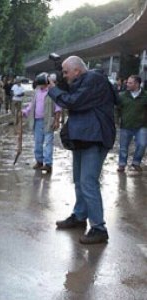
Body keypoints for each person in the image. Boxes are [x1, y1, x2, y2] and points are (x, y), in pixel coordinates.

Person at [48, 56, 116, 244]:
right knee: (79, 180)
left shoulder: (95, 80)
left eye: (66, 72)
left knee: (88, 182)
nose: (64, 75)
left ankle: (99, 227)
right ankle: (79, 216)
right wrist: (59, 80)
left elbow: (73, 101)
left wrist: (53, 89)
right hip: (84, 138)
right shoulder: (84, 82)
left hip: (95, 138)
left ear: (77, 71)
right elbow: (70, 91)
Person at [22, 73, 62, 173]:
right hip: (37, 121)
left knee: (48, 143)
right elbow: (32, 105)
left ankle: (48, 164)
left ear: (47, 83)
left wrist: (57, 121)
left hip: (48, 121)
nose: (41, 86)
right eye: (39, 85)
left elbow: (58, 107)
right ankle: (39, 161)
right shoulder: (37, 92)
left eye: (42, 84)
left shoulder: (52, 92)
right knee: (38, 143)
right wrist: (25, 112)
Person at [116, 75, 147, 172]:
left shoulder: (145, 96)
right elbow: (117, 110)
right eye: (127, 82)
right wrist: (117, 121)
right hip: (126, 125)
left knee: (142, 144)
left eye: (130, 83)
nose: (127, 84)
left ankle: (136, 162)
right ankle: (122, 164)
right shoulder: (122, 96)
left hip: (141, 126)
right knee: (123, 147)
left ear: (137, 84)